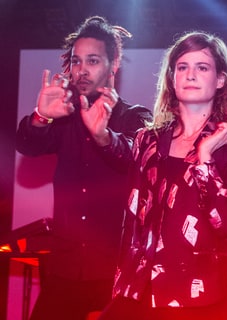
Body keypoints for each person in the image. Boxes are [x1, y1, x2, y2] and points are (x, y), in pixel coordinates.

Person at [98, 31, 227, 320]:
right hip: (140, 292)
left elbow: (226, 222)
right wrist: (98, 133)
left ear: (220, 79)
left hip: (200, 298)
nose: (191, 75)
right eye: (182, 67)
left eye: (202, 67)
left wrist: (205, 157)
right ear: (172, 78)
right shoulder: (147, 140)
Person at [16, 16, 152, 320]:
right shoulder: (63, 115)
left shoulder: (134, 116)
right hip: (64, 269)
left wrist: (103, 135)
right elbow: (28, 146)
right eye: (77, 61)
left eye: (93, 60)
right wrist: (41, 115)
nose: (82, 70)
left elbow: (135, 159)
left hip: (113, 272)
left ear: (113, 64)